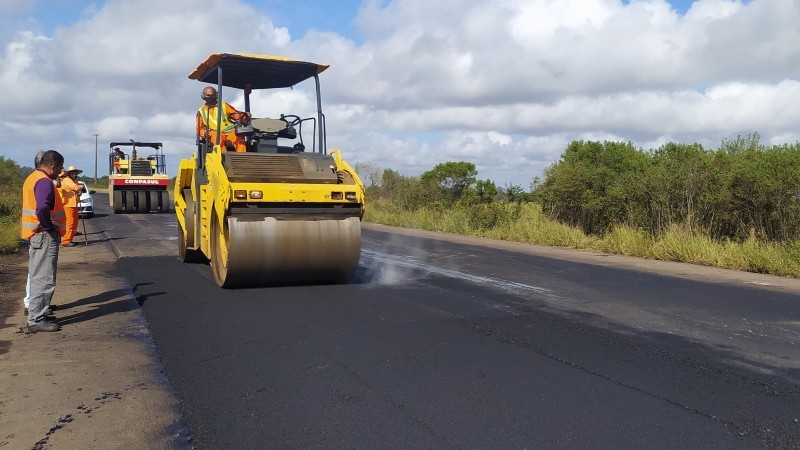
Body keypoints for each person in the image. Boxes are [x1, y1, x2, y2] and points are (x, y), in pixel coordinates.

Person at [20, 150, 66, 332]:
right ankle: (36, 319)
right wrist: (50, 228)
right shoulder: (44, 182)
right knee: (44, 278)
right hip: (43, 235)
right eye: (60, 168)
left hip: (36, 234)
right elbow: (41, 209)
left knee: (38, 275)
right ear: (53, 166)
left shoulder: (33, 177)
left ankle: (38, 311)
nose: (61, 172)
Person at [196, 86, 250, 152]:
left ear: (216, 95)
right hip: (215, 133)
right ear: (203, 96)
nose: (210, 97)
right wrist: (204, 133)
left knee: (239, 138)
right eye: (208, 95)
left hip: (230, 131)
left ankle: (241, 159)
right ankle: (223, 159)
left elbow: (236, 115)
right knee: (217, 138)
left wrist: (245, 116)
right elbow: (199, 128)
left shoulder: (224, 105)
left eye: (212, 95)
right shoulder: (201, 111)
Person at [58, 165, 84, 247]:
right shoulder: (67, 180)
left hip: (74, 204)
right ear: (69, 174)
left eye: (75, 173)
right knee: (70, 222)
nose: (74, 175)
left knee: (75, 222)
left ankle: (70, 238)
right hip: (68, 205)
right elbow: (76, 188)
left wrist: (79, 192)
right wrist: (81, 187)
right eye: (72, 173)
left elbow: (77, 191)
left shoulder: (74, 181)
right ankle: (66, 241)